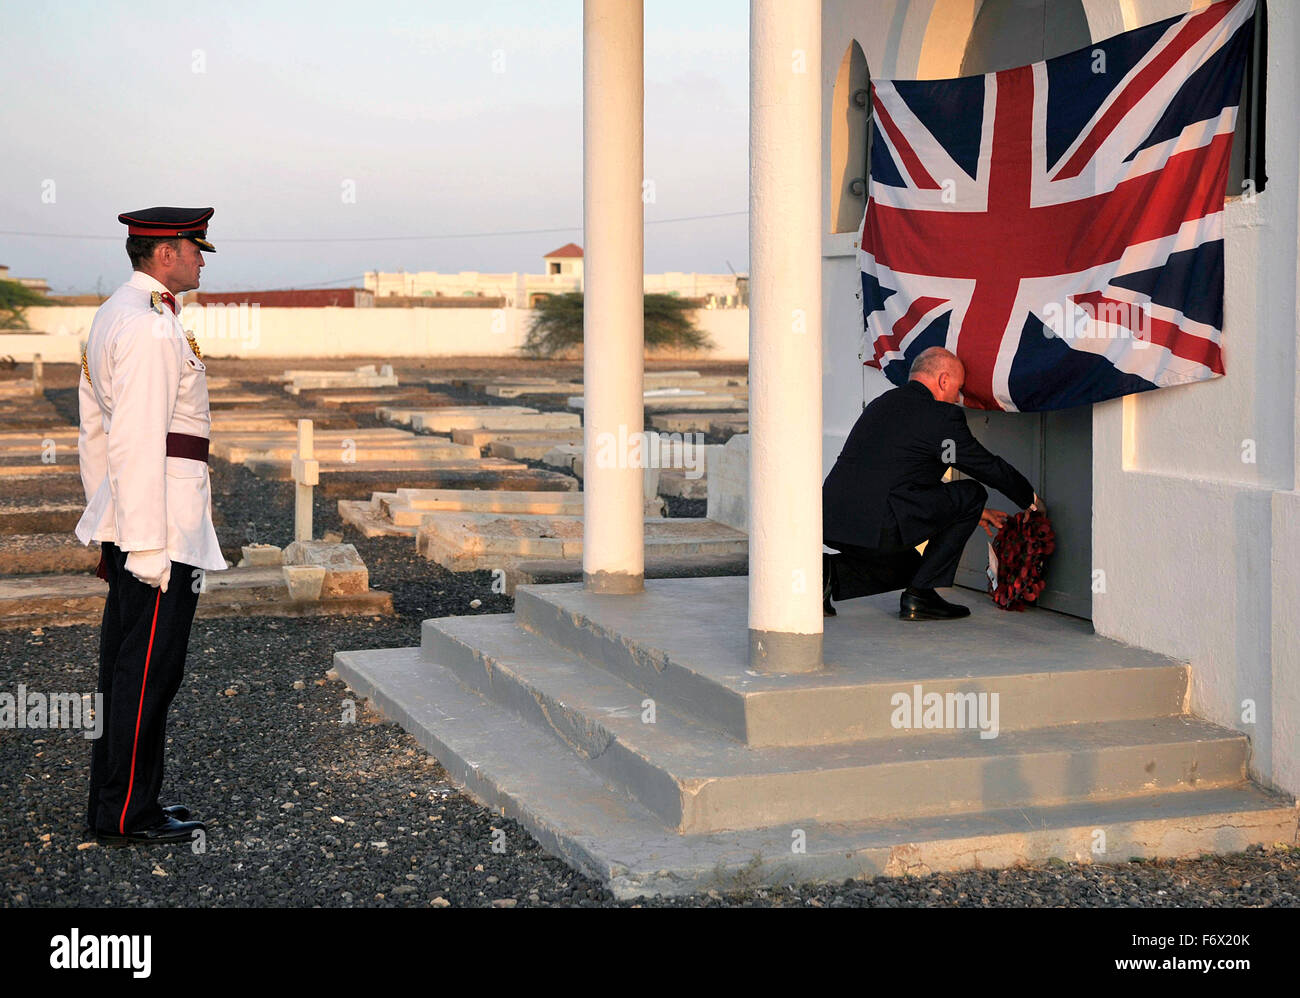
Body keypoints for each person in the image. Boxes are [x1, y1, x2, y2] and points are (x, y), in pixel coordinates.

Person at [74, 206, 227, 843]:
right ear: (165, 252)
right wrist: (144, 545)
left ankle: (118, 804)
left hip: (138, 515)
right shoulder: (150, 328)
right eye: (195, 248)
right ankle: (127, 814)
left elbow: (95, 435)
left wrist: (107, 513)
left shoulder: (121, 314)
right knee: (149, 670)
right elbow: (136, 438)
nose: (201, 259)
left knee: (125, 665)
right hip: (160, 527)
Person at [822, 347, 1043, 621]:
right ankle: (921, 596)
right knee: (973, 492)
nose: (959, 397)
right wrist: (1031, 500)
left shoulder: (883, 403)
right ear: (944, 381)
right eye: (959, 388)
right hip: (878, 522)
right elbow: (984, 465)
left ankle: (824, 574)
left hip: (832, 520)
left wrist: (974, 515)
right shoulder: (940, 415)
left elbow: (897, 474)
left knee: (914, 568)